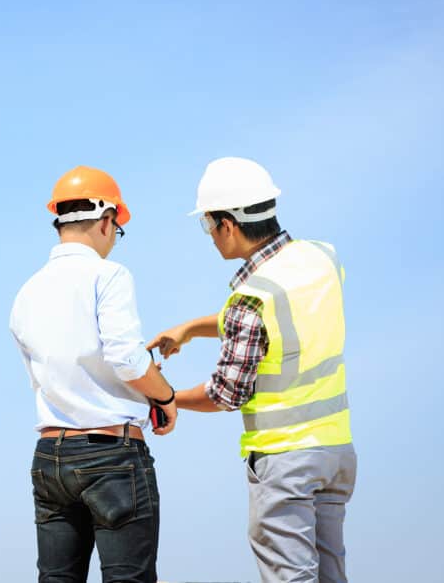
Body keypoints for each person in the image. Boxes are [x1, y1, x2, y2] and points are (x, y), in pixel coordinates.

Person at [147, 157, 356, 583]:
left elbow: (225, 393)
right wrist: (191, 328)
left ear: (227, 224)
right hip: (336, 453)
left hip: (285, 461)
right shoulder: (321, 258)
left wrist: (166, 397)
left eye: (208, 225)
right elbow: (279, 316)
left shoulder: (251, 298)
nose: (210, 236)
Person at [10, 165, 178, 583]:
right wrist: (164, 396)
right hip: (111, 457)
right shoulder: (109, 275)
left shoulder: (27, 291)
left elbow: (44, 377)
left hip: (50, 457)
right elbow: (126, 359)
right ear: (107, 220)